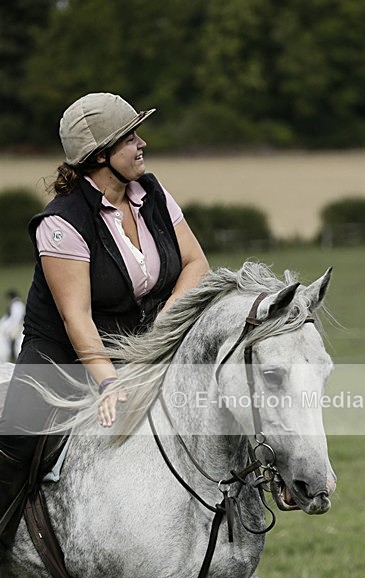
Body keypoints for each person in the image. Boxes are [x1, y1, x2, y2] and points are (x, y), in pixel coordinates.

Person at [0, 92, 209, 533]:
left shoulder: (152, 192)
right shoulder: (62, 222)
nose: (142, 143)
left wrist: (162, 331)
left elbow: (197, 264)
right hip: (61, 356)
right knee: (15, 444)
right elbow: (77, 320)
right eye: (130, 137)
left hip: (139, 344)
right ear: (99, 156)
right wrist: (109, 381)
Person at [0, 290, 25, 362]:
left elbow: (16, 318)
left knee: (14, 342)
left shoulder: (17, 304)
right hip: (17, 326)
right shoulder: (16, 304)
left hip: (18, 326)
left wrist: (9, 328)